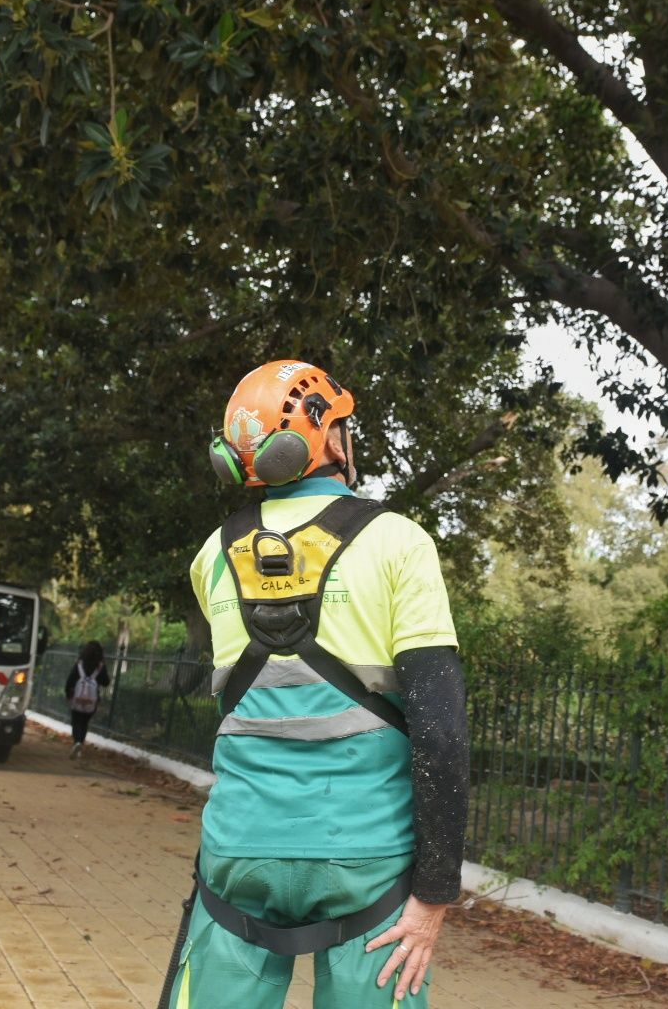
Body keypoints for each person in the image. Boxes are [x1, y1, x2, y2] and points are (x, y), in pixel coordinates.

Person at [162, 360, 469, 1008]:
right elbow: (439, 733)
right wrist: (435, 893)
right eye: (344, 425)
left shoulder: (212, 556)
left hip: (237, 855)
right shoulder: (398, 543)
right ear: (329, 439)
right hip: (368, 865)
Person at [65, 639, 111, 758]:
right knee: (84, 722)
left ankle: (77, 742)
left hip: (77, 698)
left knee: (76, 721)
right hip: (92, 701)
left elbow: (70, 680)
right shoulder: (100, 666)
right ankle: (80, 743)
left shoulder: (80, 664)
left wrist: (68, 693)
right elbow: (106, 682)